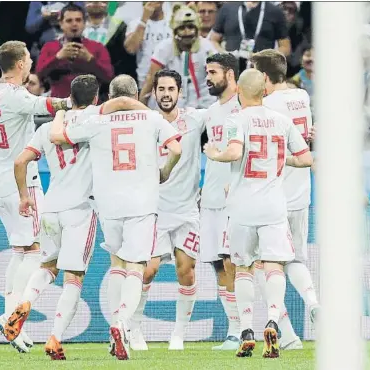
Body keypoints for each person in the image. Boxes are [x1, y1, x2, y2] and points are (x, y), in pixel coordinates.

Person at [3, 74, 148, 359]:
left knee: (47, 266)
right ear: (96, 98)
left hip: (50, 206)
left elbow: (20, 161)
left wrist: (24, 197)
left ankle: (26, 302)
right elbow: (122, 105)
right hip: (80, 209)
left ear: (70, 96)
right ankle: (55, 338)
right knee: (74, 277)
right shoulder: (98, 118)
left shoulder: (48, 128)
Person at [49, 74, 182, 360]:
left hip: (108, 203)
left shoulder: (96, 121)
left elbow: (58, 138)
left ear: (109, 95)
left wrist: (60, 112)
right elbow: (176, 148)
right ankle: (121, 324)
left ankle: (114, 325)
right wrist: (166, 171)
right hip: (142, 203)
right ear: (137, 95)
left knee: (117, 264)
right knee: (136, 266)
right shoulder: (152, 119)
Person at [0, 41, 72, 354]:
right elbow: (50, 106)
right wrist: (83, 102)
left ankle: (12, 322)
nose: (32, 61)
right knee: (37, 252)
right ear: (21, 63)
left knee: (21, 250)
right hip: (21, 182)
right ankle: (11, 316)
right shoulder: (18, 97)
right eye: (29, 58)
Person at [204, 69, 313, 358]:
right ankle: (273, 322)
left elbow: (234, 153)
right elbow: (306, 159)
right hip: (274, 205)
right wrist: (279, 158)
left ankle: (247, 329)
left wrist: (213, 152)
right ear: (264, 91)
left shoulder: (236, 119)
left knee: (244, 269)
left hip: (241, 208)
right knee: (274, 266)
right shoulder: (282, 121)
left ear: (239, 90)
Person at [130, 69, 206, 351]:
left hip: (187, 212)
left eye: (170, 89)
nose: (165, 94)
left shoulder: (195, 120)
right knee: (148, 271)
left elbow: (226, 111)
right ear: (153, 93)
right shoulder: (145, 122)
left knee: (186, 271)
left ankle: (178, 334)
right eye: (160, 89)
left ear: (179, 92)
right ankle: (135, 329)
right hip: (154, 211)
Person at [250, 49, 319, 350]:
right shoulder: (301, 98)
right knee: (296, 258)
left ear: (264, 77)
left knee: (266, 264)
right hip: (301, 193)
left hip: (272, 195)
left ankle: (287, 333)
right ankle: (314, 302)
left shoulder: (265, 106)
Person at [200, 53, 242, 351]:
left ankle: (244, 328)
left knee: (234, 262)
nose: (208, 77)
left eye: (212, 72)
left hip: (235, 200)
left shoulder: (244, 107)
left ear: (229, 74)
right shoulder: (212, 111)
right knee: (217, 263)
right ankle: (234, 329)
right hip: (211, 198)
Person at [139, 4, 217, 109]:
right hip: (172, 107)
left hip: (204, 105)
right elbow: (150, 80)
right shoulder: (164, 48)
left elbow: (219, 77)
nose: (187, 32)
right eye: (182, 28)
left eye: (190, 27)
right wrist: (140, 108)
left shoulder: (207, 47)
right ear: (175, 29)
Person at [36, 3, 114, 98]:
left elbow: (109, 77)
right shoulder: (50, 47)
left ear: (84, 23)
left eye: (78, 20)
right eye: (69, 21)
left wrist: (90, 59)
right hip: (59, 104)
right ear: (61, 24)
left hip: (90, 106)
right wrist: (57, 58)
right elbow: (39, 74)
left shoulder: (97, 47)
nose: (74, 24)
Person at [124, 2, 172, 89]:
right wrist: (144, 20)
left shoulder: (172, 22)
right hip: (144, 83)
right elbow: (131, 49)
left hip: (172, 81)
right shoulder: (135, 24)